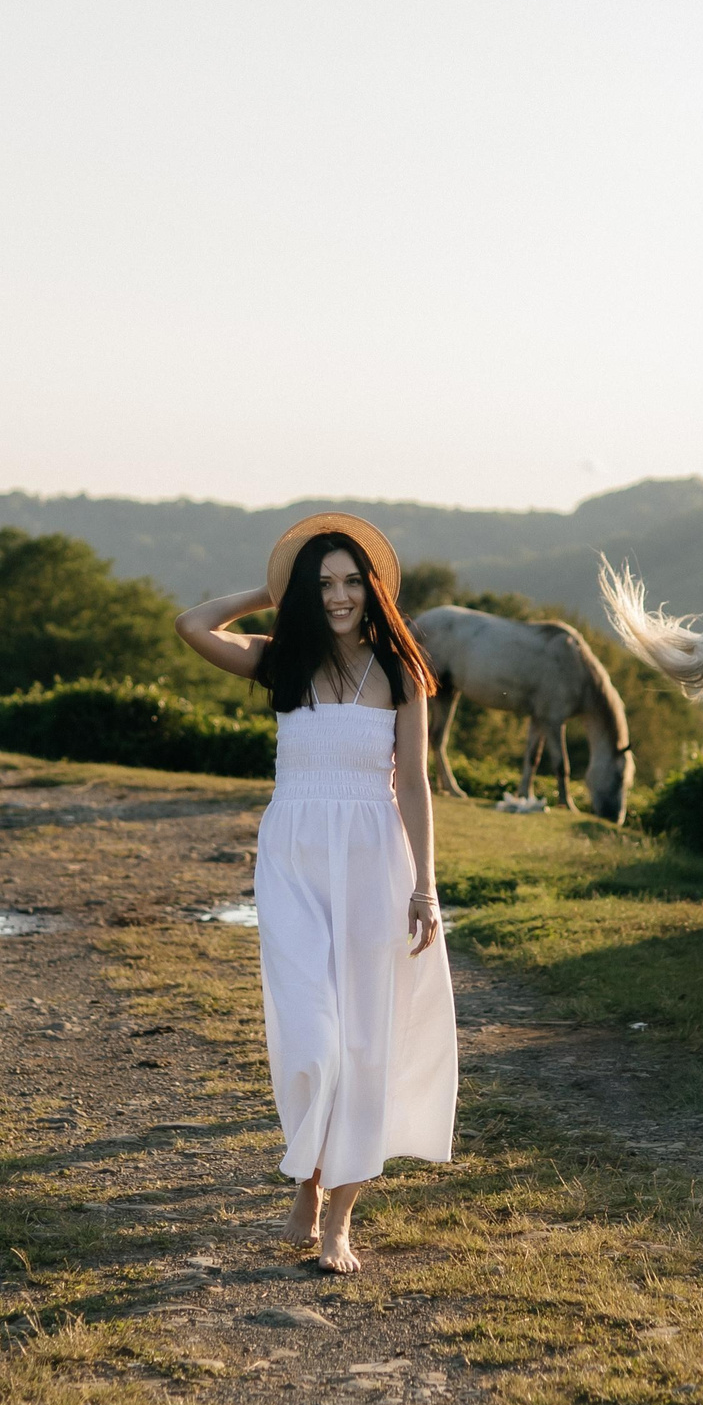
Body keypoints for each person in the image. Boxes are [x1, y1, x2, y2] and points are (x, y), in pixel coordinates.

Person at [175, 513, 459, 1273]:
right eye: (322, 582)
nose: (338, 595)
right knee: (312, 1035)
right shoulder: (282, 661)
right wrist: (271, 590)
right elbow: (191, 623)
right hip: (294, 860)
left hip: (375, 863)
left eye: (350, 581)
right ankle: (307, 1167)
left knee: (364, 1042)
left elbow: (417, 789)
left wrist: (425, 888)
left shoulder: (403, 673)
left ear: (373, 589)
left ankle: (337, 1217)